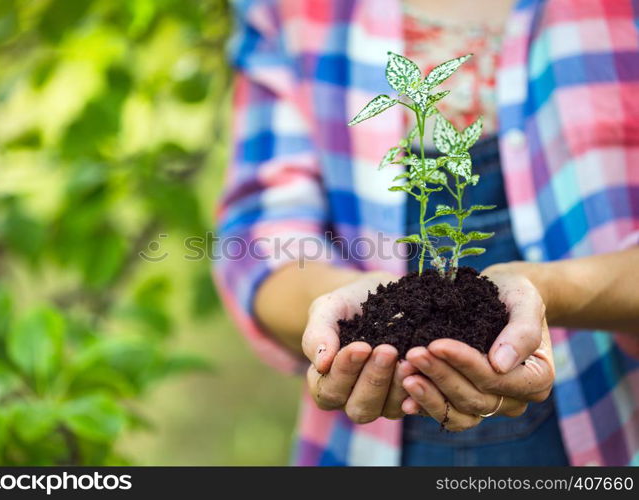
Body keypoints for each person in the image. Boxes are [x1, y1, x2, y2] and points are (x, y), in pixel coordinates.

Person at [214, 0, 639, 466]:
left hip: (607, 428)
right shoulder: (289, 10)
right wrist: (340, 319)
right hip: (368, 447)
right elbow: (258, 238)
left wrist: (551, 291)